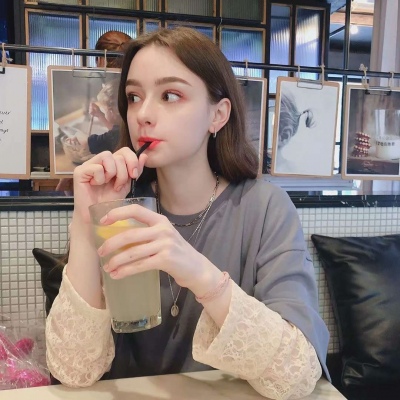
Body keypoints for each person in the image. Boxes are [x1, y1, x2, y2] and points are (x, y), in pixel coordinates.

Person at [46, 27, 330, 399]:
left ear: (218, 115)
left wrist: (198, 273)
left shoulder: (264, 208)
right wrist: (86, 223)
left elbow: (298, 373)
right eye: (133, 97)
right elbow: (72, 371)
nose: (143, 114)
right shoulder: (121, 209)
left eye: (170, 95)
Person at [55, 31, 131, 192]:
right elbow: (115, 131)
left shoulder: (114, 89)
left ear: (99, 59)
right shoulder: (132, 88)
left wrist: (67, 176)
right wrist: (100, 115)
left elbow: (96, 140)